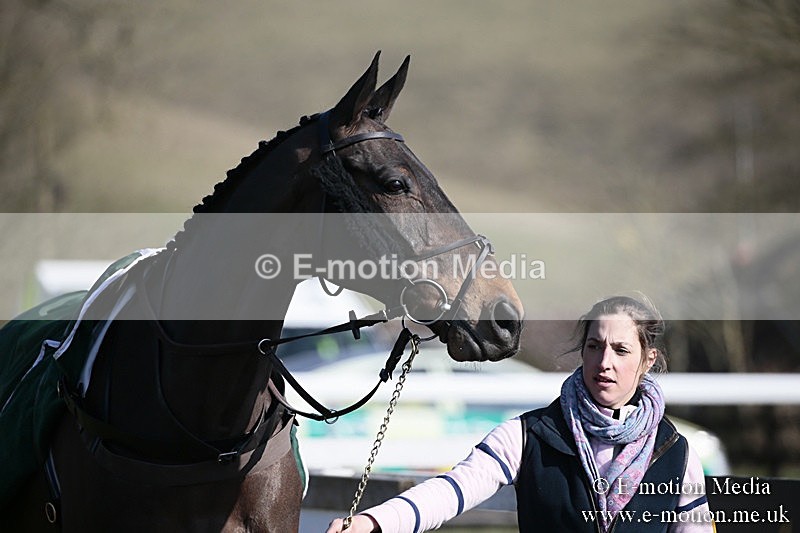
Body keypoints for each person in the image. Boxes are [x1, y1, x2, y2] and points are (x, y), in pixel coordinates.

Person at [326, 295, 713, 532]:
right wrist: (374, 523)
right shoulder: (528, 434)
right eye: (594, 346)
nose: (604, 362)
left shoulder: (676, 452)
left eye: (621, 350)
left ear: (648, 360)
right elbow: (452, 490)